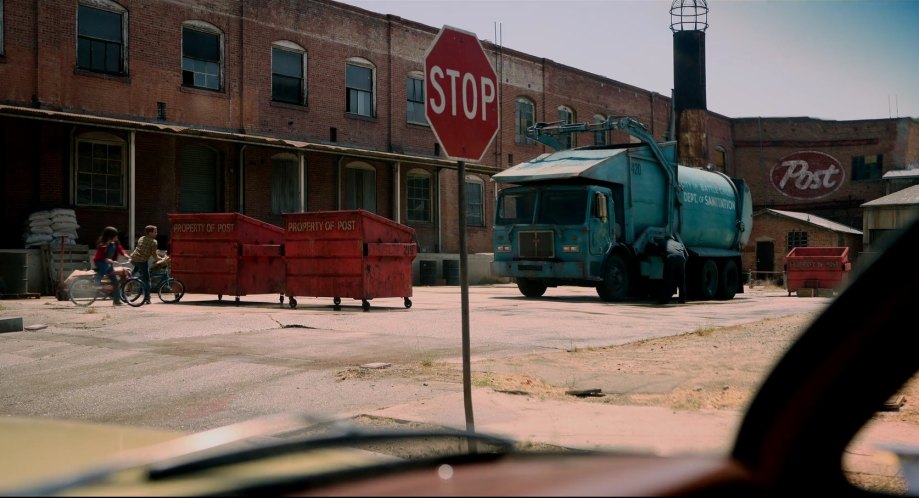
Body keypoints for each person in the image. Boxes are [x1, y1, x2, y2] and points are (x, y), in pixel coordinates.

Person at [93, 226, 129, 306]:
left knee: (115, 282)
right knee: (105, 267)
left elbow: (120, 248)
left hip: (109, 263)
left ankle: (116, 301)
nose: (117, 237)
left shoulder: (115, 243)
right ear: (110, 236)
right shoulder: (102, 244)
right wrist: (106, 259)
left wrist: (125, 254)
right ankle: (96, 282)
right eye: (115, 236)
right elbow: (100, 256)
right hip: (100, 261)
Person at [130, 225, 159, 305]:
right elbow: (154, 256)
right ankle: (147, 298)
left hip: (134, 259)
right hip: (142, 261)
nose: (157, 233)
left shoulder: (141, 238)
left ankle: (130, 279)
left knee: (137, 269)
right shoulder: (153, 242)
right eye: (155, 232)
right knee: (147, 280)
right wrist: (161, 259)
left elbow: (141, 249)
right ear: (150, 233)